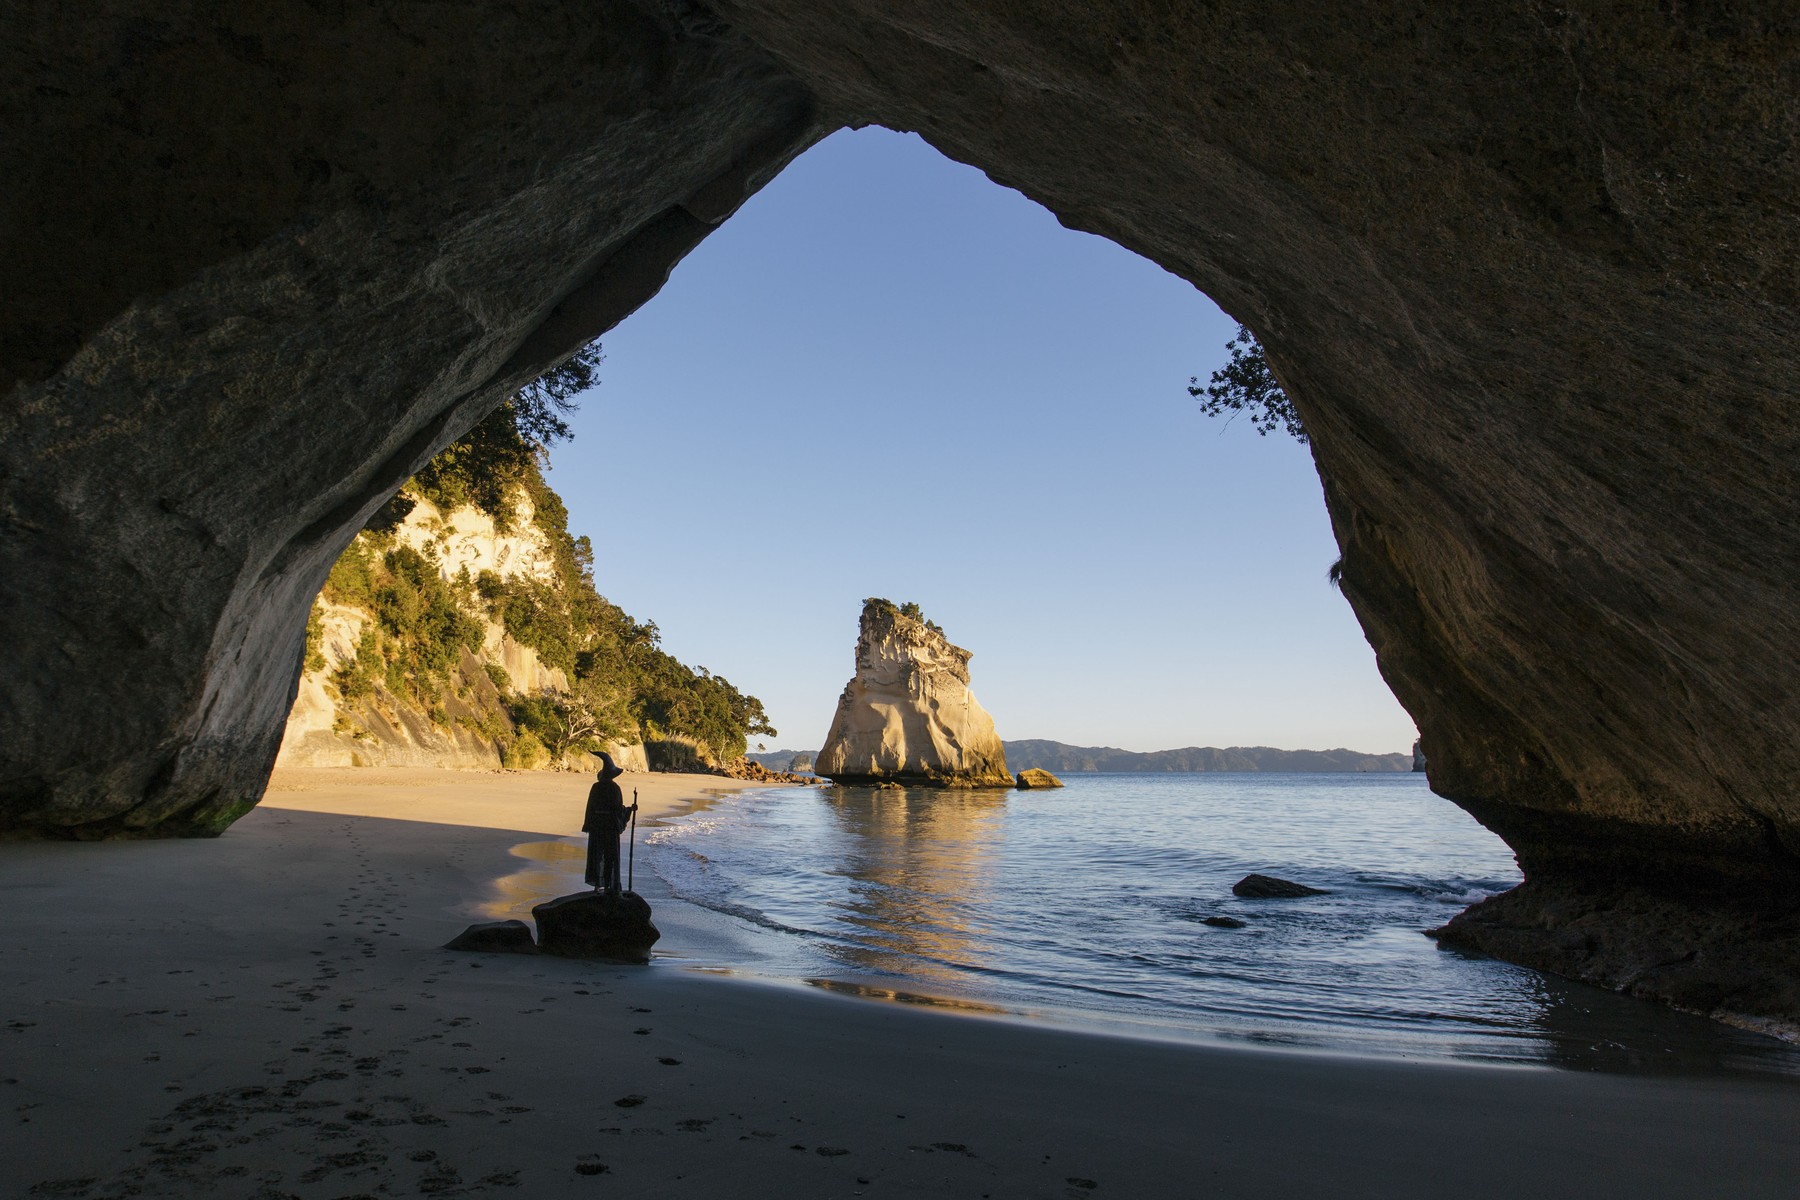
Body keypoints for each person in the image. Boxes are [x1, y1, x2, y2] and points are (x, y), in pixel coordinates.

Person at [583, 751, 637, 892]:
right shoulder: (614, 788)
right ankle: (608, 886)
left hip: (596, 825)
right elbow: (618, 810)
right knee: (610, 856)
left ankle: (597, 886)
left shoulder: (596, 787)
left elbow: (590, 807)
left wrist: (589, 823)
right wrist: (630, 810)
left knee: (597, 854)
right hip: (610, 826)